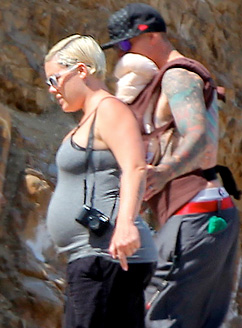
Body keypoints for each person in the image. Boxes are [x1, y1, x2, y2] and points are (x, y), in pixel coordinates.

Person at [101, 3, 240, 328]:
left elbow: (199, 137)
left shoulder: (177, 76)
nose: (122, 55)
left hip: (196, 211)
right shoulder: (160, 80)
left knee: (159, 318)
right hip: (201, 215)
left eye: (124, 45)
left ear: (149, 36)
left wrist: (164, 172)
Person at [44, 34, 158, 328]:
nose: (52, 89)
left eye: (54, 79)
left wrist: (125, 225)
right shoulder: (89, 119)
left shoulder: (110, 110)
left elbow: (135, 167)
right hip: (92, 258)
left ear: (81, 71)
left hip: (106, 256)